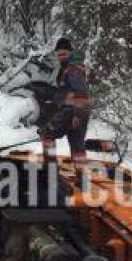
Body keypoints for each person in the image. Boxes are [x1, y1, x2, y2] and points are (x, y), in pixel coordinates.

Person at [39, 38, 92, 170]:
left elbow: (80, 92)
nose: (61, 57)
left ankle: (50, 169)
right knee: (77, 144)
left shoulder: (73, 69)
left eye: (64, 54)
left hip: (73, 110)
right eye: (59, 55)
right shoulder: (73, 67)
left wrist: (77, 115)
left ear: (70, 53)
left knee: (47, 134)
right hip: (81, 110)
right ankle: (81, 175)